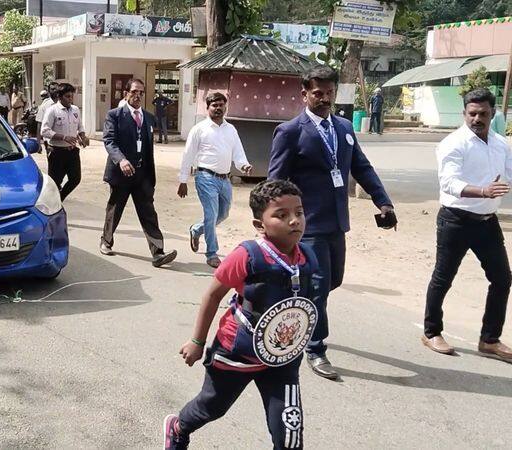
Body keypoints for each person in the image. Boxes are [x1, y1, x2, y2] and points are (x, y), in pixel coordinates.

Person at [163, 179, 319, 450]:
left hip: (282, 360)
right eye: (281, 215)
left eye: (299, 212)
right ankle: (178, 427)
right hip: (237, 353)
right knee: (212, 407)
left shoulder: (308, 258)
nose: (294, 221)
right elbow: (213, 294)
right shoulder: (247, 256)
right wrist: (197, 343)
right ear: (260, 225)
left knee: (290, 437)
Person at [268, 65, 395, 380]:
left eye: (329, 93)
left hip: (337, 223)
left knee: (333, 280)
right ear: (304, 94)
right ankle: (315, 347)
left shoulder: (343, 128)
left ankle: (296, 300)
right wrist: (273, 220)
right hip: (306, 227)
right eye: (317, 93)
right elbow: (275, 180)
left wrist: (383, 200)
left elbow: (361, 167)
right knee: (320, 286)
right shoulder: (291, 131)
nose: (324, 99)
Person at [421, 88, 512, 362]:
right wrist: (483, 191)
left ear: (492, 113)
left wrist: (496, 190)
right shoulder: (453, 143)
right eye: (472, 114)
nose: (477, 119)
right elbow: (449, 182)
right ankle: (431, 331)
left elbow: (507, 176)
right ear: (464, 114)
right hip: (456, 220)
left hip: (487, 222)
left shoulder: (501, 143)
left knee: (502, 278)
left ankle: (490, 339)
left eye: (483, 113)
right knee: (443, 278)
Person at [101, 78, 177, 267]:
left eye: (141, 93)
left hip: (142, 174)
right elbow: (109, 141)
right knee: (115, 208)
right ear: (126, 93)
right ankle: (106, 240)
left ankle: (158, 252)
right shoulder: (115, 115)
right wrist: (122, 160)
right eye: (134, 92)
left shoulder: (149, 117)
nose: (138, 96)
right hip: (122, 173)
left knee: (148, 212)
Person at [178, 92, 252, 268]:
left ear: (226, 107)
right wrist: (183, 180)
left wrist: (244, 166)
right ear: (208, 107)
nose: (218, 108)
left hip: (224, 179)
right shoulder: (199, 129)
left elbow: (238, 153)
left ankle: (196, 230)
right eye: (215, 105)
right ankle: (212, 253)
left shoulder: (231, 129)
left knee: (223, 214)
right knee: (210, 214)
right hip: (205, 177)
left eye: (221, 105)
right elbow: (187, 155)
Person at [40, 83, 89, 201]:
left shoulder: (75, 110)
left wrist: (83, 136)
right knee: (55, 182)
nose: (70, 99)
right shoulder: (52, 111)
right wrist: (63, 137)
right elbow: (44, 131)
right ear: (60, 97)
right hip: (57, 152)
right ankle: (51, 202)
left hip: (72, 151)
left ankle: (60, 199)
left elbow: (80, 126)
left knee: (75, 179)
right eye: (67, 96)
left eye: (72, 96)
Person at [36, 82, 59, 150]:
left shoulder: (64, 103)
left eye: (56, 88)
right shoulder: (45, 106)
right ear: (49, 92)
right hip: (49, 142)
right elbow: (39, 124)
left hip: (63, 141)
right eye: (53, 89)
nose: (55, 90)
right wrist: (38, 143)